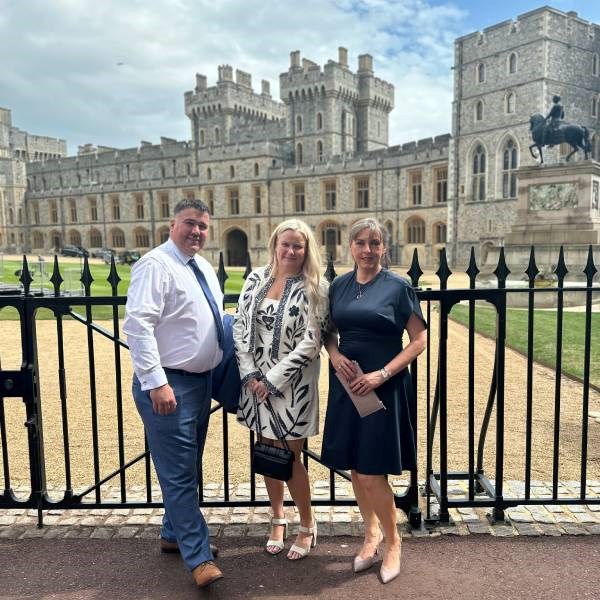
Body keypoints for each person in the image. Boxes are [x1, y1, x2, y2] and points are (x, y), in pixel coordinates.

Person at [123, 198, 224, 589]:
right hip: (169, 385)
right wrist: (156, 381)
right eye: (189, 223)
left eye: (202, 225)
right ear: (172, 224)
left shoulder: (203, 267)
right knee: (180, 474)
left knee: (188, 465)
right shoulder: (156, 265)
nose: (196, 231)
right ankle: (198, 558)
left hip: (201, 383)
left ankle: (171, 533)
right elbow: (138, 326)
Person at [321, 217, 427, 584]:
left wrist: (382, 374)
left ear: (384, 247)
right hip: (347, 386)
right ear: (350, 246)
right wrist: (335, 355)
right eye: (361, 243)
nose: (368, 250)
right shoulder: (339, 285)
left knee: (371, 470)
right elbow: (327, 332)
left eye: (375, 243)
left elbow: (419, 340)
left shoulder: (398, 287)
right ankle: (370, 535)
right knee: (355, 466)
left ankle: (393, 541)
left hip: (383, 385)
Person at [234, 218, 328, 560]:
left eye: (297, 246)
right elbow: (240, 327)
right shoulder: (255, 279)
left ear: (306, 249)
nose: (290, 251)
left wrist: (273, 379)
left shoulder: (315, 286)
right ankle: (277, 518)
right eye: (285, 244)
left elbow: (312, 341)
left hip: (293, 385)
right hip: (255, 383)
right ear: (274, 244)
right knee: (266, 452)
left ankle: (307, 523)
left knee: (289, 456)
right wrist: (251, 374)